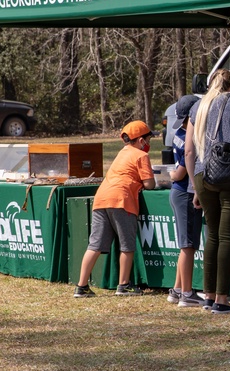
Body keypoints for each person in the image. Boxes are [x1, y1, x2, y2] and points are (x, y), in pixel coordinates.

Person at [185, 69, 230, 314]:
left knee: (212, 236)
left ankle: (209, 296)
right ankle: (222, 300)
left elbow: (189, 152)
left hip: (204, 176)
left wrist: (194, 186)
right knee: (227, 238)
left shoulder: (198, 106)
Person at [73, 121, 157, 298]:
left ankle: (81, 287)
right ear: (141, 140)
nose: (149, 143)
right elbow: (149, 184)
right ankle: (124, 285)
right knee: (127, 245)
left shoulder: (121, 153)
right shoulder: (141, 155)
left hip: (101, 198)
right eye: (148, 139)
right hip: (121, 200)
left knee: (94, 245)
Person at [167, 94, 203, 308]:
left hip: (180, 193)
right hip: (185, 193)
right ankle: (187, 294)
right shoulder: (189, 138)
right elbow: (180, 173)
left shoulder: (178, 133)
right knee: (188, 246)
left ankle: (178, 289)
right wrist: (172, 175)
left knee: (187, 245)